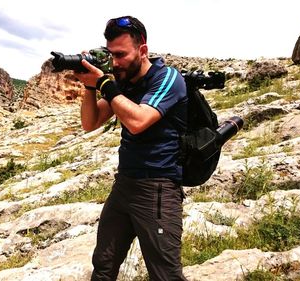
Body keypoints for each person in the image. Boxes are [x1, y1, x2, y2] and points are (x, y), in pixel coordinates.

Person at [73, 16, 188, 281]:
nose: (114, 63)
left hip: (157, 189)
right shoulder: (123, 83)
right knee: (103, 265)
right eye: (111, 54)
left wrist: (104, 83)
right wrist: (90, 87)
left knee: (165, 275)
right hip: (124, 184)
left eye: (121, 54)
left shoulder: (167, 78)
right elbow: (90, 123)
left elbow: (138, 121)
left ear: (143, 50)